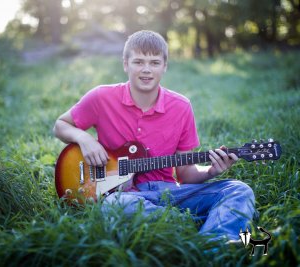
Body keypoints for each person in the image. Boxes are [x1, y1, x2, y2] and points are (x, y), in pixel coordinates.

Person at [53, 30, 255, 243]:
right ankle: (196, 226)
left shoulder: (181, 107)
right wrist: (84, 139)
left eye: (154, 62)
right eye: (139, 62)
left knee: (239, 190)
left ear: (164, 66)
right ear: (125, 64)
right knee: (114, 206)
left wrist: (212, 171)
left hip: (170, 193)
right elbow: (61, 125)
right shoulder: (101, 97)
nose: (146, 70)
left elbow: (185, 175)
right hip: (125, 196)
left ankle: (214, 247)